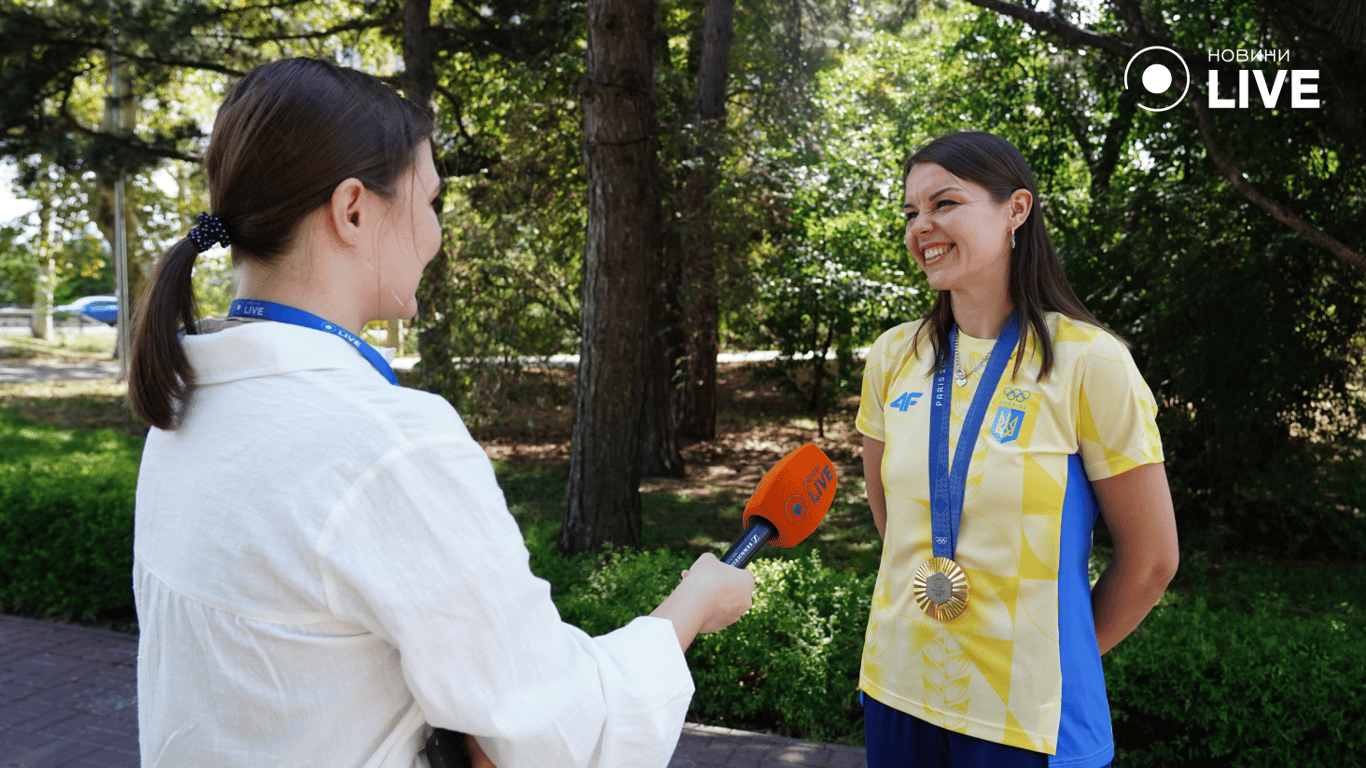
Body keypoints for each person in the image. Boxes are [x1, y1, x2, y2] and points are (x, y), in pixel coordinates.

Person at [127, 57, 755, 768]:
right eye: (429, 203)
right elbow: (558, 735)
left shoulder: (189, 407)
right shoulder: (385, 445)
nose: (435, 235)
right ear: (354, 210)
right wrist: (692, 607)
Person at [856, 131, 1179, 768]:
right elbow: (895, 527)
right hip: (897, 692)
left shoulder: (1088, 362)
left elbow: (1151, 562)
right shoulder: (894, 356)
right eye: (910, 211)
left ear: (1017, 211)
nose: (923, 226)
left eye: (945, 203)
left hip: (1022, 716)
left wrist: (1058, 657)